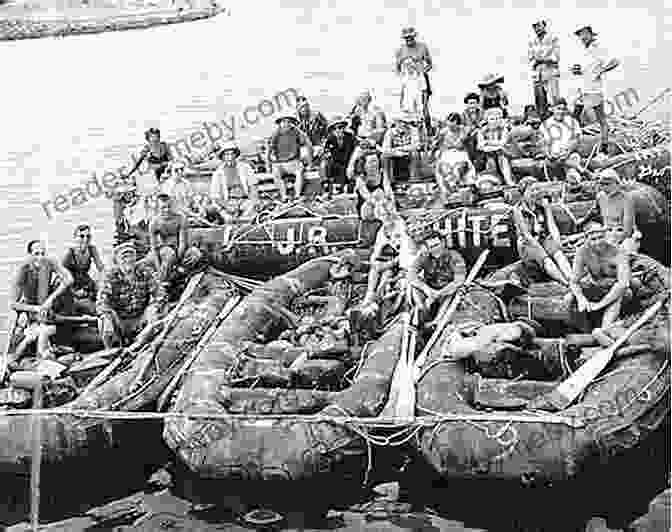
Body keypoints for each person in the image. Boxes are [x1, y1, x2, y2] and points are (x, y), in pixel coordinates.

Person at [9, 240, 74, 362]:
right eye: (36, 254)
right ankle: (34, 356)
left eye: (43, 253)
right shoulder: (22, 270)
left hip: (47, 308)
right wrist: (36, 308)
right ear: (29, 255)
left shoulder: (49, 262)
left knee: (63, 287)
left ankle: (48, 350)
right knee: (36, 335)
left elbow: (69, 279)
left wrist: (51, 299)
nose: (40, 257)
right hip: (34, 311)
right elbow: (13, 304)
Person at [567, 223, 631, 331]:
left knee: (620, 296)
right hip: (595, 287)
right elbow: (574, 281)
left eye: (600, 237)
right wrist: (581, 299)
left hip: (615, 291)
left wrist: (599, 305)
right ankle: (583, 331)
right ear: (586, 239)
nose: (597, 242)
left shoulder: (618, 252)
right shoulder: (582, 252)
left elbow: (622, 284)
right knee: (568, 299)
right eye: (593, 239)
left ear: (605, 236)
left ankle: (605, 328)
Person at [98, 242, 160, 350]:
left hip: (140, 318)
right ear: (117, 260)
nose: (128, 260)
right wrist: (108, 318)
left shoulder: (144, 271)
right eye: (124, 257)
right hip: (120, 320)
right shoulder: (110, 275)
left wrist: (152, 308)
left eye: (131, 256)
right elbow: (102, 302)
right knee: (104, 321)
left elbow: (160, 295)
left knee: (153, 313)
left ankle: (150, 346)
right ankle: (111, 350)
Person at [511, 184, 574, 286]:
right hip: (528, 243)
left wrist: (547, 208)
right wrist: (542, 251)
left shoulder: (541, 206)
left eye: (537, 190)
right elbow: (526, 235)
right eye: (531, 190)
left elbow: (551, 226)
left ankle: (571, 279)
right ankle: (565, 282)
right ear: (523, 194)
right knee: (546, 260)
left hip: (543, 238)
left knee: (558, 254)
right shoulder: (518, 210)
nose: (535, 193)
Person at [572, 25, 620, 154]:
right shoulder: (584, 50)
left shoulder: (599, 47)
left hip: (594, 90)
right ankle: (573, 145)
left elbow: (615, 61)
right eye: (580, 35)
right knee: (575, 117)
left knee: (601, 119)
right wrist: (577, 71)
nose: (582, 37)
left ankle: (604, 147)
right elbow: (586, 69)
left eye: (584, 34)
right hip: (582, 89)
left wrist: (602, 70)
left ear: (590, 34)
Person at [147, 194, 202, 296]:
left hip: (180, 248)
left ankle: (179, 274)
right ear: (158, 208)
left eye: (169, 206)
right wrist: (159, 267)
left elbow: (183, 242)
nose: (166, 210)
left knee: (196, 254)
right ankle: (163, 283)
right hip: (164, 248)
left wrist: (178, 261)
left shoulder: (181, 218)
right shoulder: (154, 222)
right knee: (169, 254)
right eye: (163, 207)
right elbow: (154, 248)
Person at [577, 169, 640, 251]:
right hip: (606, 233)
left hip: (623, 237)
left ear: (617, 184)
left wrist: (611, 243)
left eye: (607, 184)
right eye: (602, 184)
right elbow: (593, 212)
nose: (604, 187)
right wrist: (582, 222)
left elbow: (627, 231)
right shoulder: (600, 197)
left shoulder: (627, 199)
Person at [540, 98, 592, 182]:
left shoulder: (572, 122)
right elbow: (543, 144)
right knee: (555, 162)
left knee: (573, 159)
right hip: (553, 157)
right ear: (552, 109)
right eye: (558, 109)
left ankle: (573, 178)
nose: (561, 112)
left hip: (570, 154)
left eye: (563, 109)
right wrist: (549, 154)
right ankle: (583, 171)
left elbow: (577, 140)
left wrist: (568, 152)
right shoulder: (545, 125)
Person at [395, 27, 433, 131]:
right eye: (406, 38)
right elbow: (397, 68)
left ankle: (429, 132)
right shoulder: (400, 50)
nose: (409, 40)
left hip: (420, 79)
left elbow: (430, 64)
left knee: (423, 108)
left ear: (414, 37)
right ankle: (411, 133)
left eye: (411, 38)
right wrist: (404, 76)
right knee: (407, 108)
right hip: (408, 81)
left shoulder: (422, 47)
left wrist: (422, 72)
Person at [266, 115, 313, 200]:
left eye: (288, 121)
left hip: (293, 162)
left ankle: (297, 195)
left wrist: (310, 163)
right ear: (280, 123)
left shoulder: (296, 131)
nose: (286, 124)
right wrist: (268, 165)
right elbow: (269, 150)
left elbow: (308, 144)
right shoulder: (275, 134)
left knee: (300, 171)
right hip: (280, 163)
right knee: (276, 173)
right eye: (284, 122)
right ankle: (284, 196)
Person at [62, 224, 104, 315]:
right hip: (71, 282)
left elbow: (101, 268)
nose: (85, 239)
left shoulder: (92, 249)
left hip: (85, 280)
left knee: (101, 293)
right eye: (81, 236)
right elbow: (62, 275)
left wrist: (102, 282)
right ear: (75, 238)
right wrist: (74, 291)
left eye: (88, 236)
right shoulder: (70, 253)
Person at [209, 141, 258, 218]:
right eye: (227, 154)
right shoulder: (218, 173)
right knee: (229, 219)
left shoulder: (245, 167)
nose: (230, 157)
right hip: (227, 202)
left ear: (235, 155)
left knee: (249, 215)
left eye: (232, 154)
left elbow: (253, 186)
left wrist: (254, 201)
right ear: (222, 157)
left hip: (245, 200)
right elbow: (215, 196)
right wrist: (227, 206)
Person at [432, 113, 476, 196]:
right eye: (449, 121)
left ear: (457, 123)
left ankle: (455, 184)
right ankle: (451, 184)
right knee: (444, 166)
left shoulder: (463, 130)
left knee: (460, 166)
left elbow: (460, 144)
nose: (450, 124)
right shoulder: (443, 132)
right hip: (447, 154)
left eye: (453, 122)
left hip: (460, 153)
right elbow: (436, 144)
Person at [528, 19, 560, 118]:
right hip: (538, 73)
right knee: (539, 100)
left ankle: (557, 120)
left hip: (550, 71)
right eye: (534, 26)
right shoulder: (532, 41)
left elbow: (556, 57)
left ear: (544, 25)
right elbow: (530, 58)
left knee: (554, 98)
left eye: (538, 25)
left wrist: (541, 59)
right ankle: (543, 121)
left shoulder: (553, 38)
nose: (536, 28)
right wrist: (539, 60)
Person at [320, 116, 358, 195]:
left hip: (348, 163)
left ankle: (345, 186)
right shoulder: (329, 139)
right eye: (335, 128)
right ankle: (326, 186)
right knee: (324, 164)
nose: (338, 130)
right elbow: (326, 153)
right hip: (336, 164)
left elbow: (357, 148)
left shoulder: (350, 137)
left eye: (341, 127)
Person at [477, 107, 514, 185]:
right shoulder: (482, 131)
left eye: (498, 119)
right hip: (486, 154)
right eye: (492, 119)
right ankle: (494, 180)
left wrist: (487, 142)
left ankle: (508, 179)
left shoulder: (504, 129)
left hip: (503, 152)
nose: (495, 121)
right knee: (490, 159)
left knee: (502, 157)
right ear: (487, 120)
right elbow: (480, 145)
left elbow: (503, 143)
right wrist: (494, 145)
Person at [352, 151, 394, 221]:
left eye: (375, 161)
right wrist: (380, 204)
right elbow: (367, 197)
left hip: (382, 206)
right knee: (377, 193)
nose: (374, 164)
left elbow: (388, 191)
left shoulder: (383, 174)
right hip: (368, 209)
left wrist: (389, 202)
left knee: (381, 193)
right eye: (371, 162)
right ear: (364, 165)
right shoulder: (360, 179)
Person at [382, 114, 422, 182]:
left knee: (415, 153)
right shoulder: (390, 132)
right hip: (395, 154)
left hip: (408, 153)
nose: (404, 124)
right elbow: (385, 149)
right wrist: (396, 152)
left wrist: (400, 149)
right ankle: (388, 181)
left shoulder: (413, 130)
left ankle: (414, 179)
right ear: (396, 122)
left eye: (406, 122)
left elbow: (416, 145)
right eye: (402, 122)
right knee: (384, 156)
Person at [462, 92, 484, 167]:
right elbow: (464, 129)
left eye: (474, 103)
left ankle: (479, 162)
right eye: (470, 103)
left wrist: (477, 128)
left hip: (480, 137)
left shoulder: (482, 113)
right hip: (468, 138)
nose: (472, 105)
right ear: (467, 105)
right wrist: (473, 128)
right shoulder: (463, 115)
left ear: (478, 104)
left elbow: (484, 124)